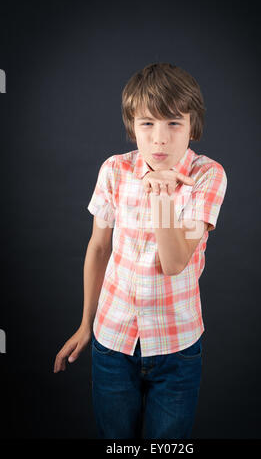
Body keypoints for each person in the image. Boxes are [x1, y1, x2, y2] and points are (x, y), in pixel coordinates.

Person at [53, 62, 228, 439]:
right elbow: (99, 248)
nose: (160, 139)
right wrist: (87, 323)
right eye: (147, 123)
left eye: (173, 124)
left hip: (177, 348)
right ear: (133, 126)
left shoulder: (208, 176)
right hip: (113, 341)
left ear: (192, 126)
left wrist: (163, 196)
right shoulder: (114, 170)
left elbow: (175, 261)